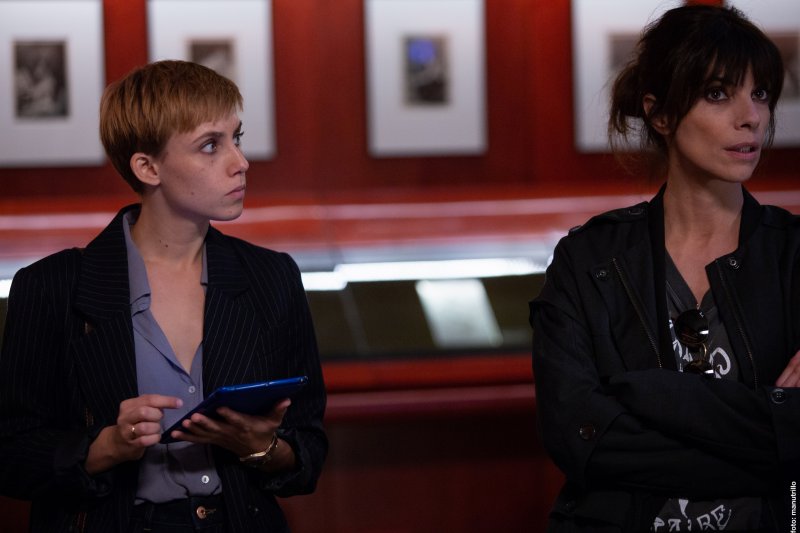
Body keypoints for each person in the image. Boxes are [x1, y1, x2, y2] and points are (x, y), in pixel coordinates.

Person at [0, 60, 327, 532]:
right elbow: (11, 453)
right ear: (147, 167)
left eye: (236, 138)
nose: (240, 162)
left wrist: (261, 447)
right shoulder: (51, 286)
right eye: (211, 145)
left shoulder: (272, 277)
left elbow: (310, 451)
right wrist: (105, 448)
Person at [530, 5, 799, 532]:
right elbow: (580, 437)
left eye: (761, 93)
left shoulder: (793, 255)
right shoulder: (590, 261)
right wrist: (773, 444)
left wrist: (649, 394)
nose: (751, 116)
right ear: (660, 114)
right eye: (718, 94)